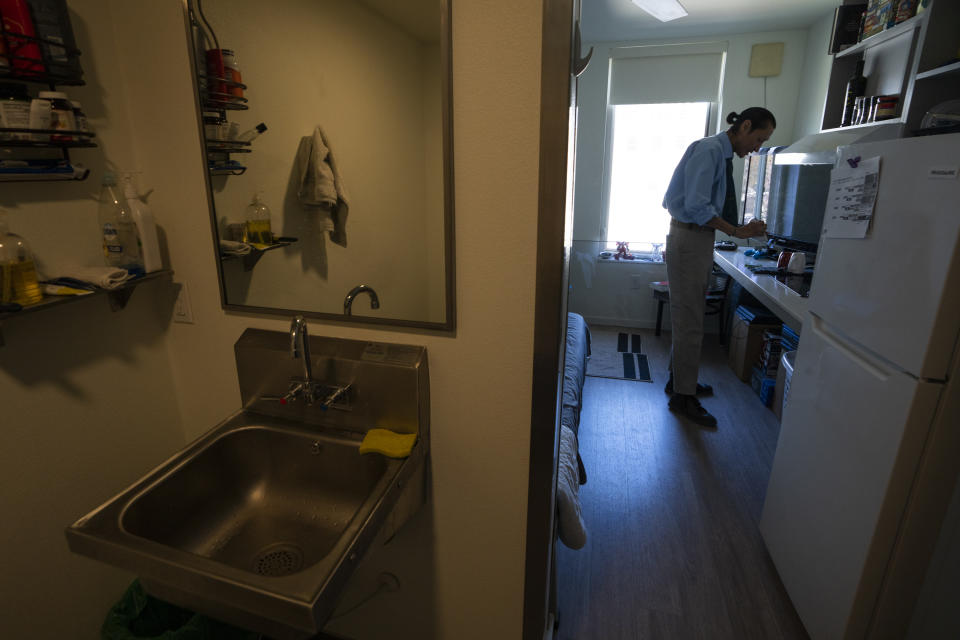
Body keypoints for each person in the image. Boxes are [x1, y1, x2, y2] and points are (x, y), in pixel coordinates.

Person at [661, 107, 775, 427]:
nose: (756, 146)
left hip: (696, 238)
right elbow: (697, 206)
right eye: (759, 138)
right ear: (746, 126)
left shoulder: (718, 154)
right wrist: (737, 231)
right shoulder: (710, 150)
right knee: (690, 319)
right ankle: (683, 396)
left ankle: (678, 380)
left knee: (689, 315)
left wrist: (735, 229)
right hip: (689, 237)